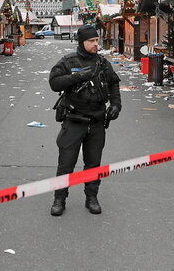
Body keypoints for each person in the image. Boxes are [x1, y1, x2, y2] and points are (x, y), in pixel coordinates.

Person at [48, 24, 121, 216]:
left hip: (96, 121)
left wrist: (115, 105)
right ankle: (59, 199)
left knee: (93, 163)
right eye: (91, 41)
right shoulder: (68, 61)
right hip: (74, 120)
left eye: (97, 40)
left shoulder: (103, 63)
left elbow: (114, 84)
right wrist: (78, 76)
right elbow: (54, 83)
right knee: (66, 163)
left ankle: (92, 197)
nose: (95, 44)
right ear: (82, 42)